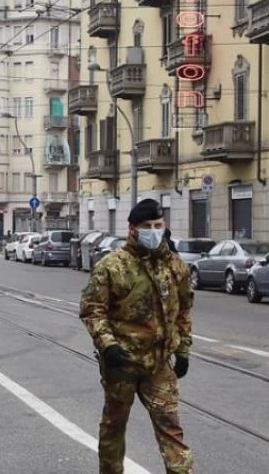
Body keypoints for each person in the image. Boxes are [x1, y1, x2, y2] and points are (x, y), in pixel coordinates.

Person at [80, 198, 193, 474]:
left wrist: (183, 350)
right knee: (114, 425)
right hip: (123, 363)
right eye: (147, 226)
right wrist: (108, 345)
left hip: (158, 365)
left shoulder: (175, 266)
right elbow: (93, 309)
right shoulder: (112, 266)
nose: (154, 230)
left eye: (158, 225)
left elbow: (184, 310)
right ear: (133, 228)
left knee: (170, 426)